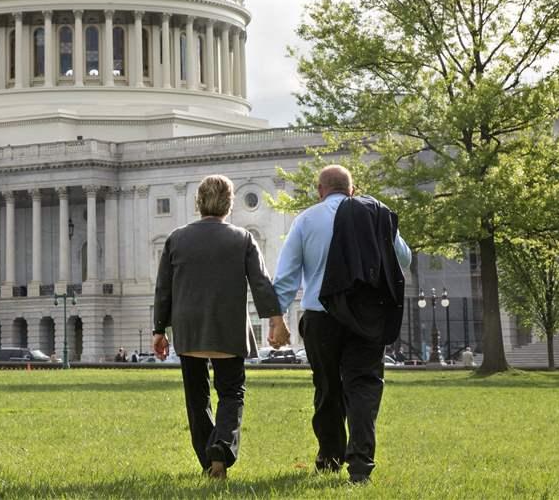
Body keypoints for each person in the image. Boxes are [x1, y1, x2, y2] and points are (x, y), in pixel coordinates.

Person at [269, 165, 411, 484]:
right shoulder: (377, 214)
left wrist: (278, 320)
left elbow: (287, 276)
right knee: (363, 386)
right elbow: (404, 258)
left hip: (322, 317)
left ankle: (330, 457)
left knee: (328, 387)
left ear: (320, 190)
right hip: (366, 314)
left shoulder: (306, 220)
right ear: (352, 189)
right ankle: (360, 464)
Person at [153, 174, 284, 480]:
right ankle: (221, 447)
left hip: (189, 330)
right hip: (228, 328)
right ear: (229, 204)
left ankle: (209, 456)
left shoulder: (176, 238)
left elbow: (164, 288)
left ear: (198, 202)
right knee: (231, 392)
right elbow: (261, 283)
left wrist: (160, 329)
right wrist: (276, 320)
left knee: (196, 399)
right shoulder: (243, 238)